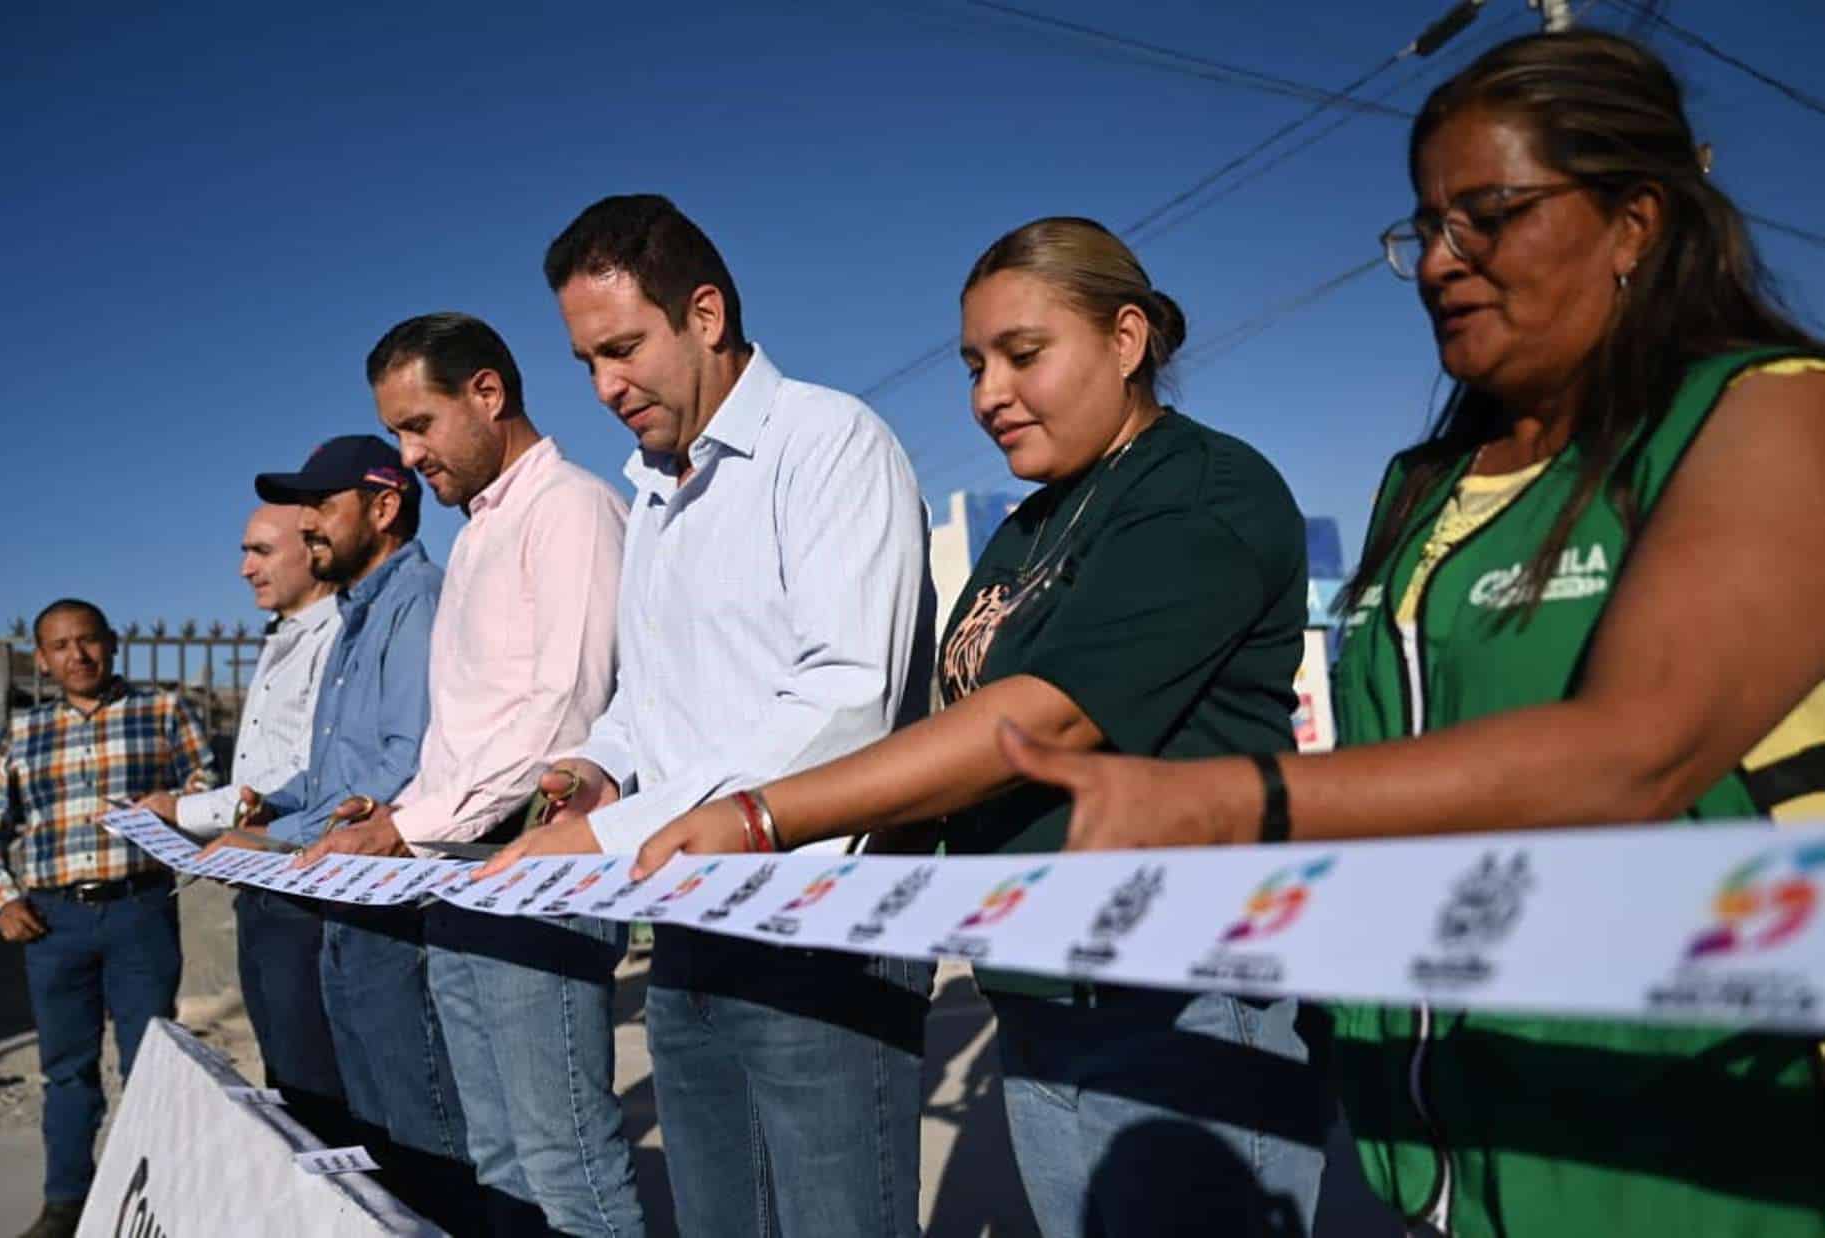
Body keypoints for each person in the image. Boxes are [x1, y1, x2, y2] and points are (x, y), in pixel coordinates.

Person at [991, 32, 1825, 1238]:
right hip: (1431, 1156)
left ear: (1635, 221)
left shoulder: (1767, 413)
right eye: (1425, 227)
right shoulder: (1419, 485)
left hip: (1676, 1152)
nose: (1440, 261)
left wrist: (1230, 803)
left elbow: (1635, 749)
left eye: (1486, 214)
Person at [579, 215, 1332, 1236]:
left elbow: (1031, 725)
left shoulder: (1200, 490)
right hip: (1040, 993)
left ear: (1126, 338)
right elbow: (948, 738)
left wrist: (759, 818)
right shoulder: (1031, 526)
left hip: (1172, 993)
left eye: (1023, 356)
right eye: (975, 365)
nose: (986, 395)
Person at [478, 194, 936, 1238]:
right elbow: (650, 696)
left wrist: (605, 833)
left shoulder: (829, 445)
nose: (603, 386)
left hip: (821, 924)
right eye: (587, 360)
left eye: (624, 348)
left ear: (706, 313)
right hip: (686, 924)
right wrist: (597, 768)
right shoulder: (654, 492)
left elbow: (845, 699)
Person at [295, 313, 640, 1236]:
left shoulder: (569, 509)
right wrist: (402, 809)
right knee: (497, 1154)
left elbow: (559, 713)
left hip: (538, 869)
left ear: (487, 394)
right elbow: (466, 733)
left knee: (565, 1155)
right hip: (458, 871)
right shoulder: (482, 532)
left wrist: (408, 826)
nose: (407, 456)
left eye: (419, 426)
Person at [236, 435, 475, 1231]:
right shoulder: (357, 618)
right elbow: (332, 768)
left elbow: (402, 765)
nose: (309, 526)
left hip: (390, 906)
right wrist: (263, 813)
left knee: (420, 1137)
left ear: (384, 507)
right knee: (369, 1135)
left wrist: (275, 840)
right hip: (342, 902)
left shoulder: (419, 604)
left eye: (322, 508)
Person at [0, 599, 216, 1238]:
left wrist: (177, 809)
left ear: (112, 643)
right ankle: (66, 1202)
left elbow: (209, 794)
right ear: (43, 659)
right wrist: (3, 901)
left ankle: (153, 1200)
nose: (76, 656)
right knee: (66, 1069)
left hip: (139, 913)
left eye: (88, 641)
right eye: (59, 645)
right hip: (52, 925)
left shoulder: (164, 712)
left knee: (151, 1066)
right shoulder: (24, 733)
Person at [146, 503, 349, 1145]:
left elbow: (306, 773)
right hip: (262, 881)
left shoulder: (339, 635)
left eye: (261, 550)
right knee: (286, 1076)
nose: (244, 568)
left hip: (307, 885)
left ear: (312, 549)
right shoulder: (281, 636)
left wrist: (184, 811)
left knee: (318, 1088)